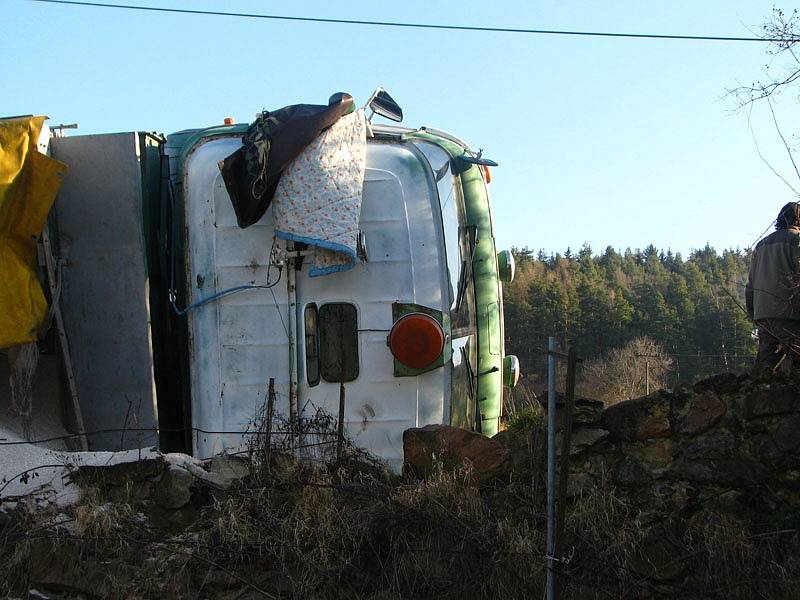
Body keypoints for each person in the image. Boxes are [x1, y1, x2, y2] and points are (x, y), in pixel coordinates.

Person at [746, 201, 800, 373]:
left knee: (764, 366)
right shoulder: (796, 240)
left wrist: (754, 315)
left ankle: (753, 394)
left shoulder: (760, 245)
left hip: (764, 316)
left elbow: (750, 286)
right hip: (790, 315)